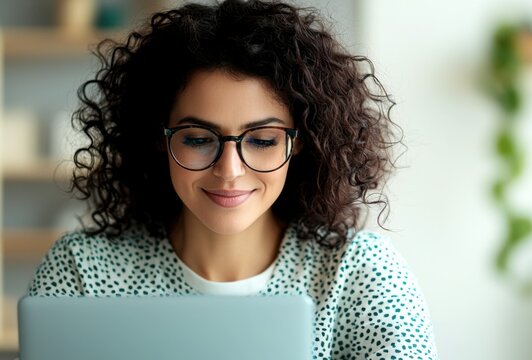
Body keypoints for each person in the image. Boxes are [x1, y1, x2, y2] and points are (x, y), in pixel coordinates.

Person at [27, 0, 439, 358]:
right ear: (158, 139)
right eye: (197, 139)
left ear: (300, 144)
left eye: (261, 140)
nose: (229, 171)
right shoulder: (82, 270)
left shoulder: (356, 272)